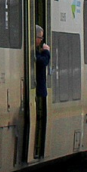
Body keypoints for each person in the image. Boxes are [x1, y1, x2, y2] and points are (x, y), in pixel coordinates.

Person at [34, 25, 50, 158]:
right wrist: (46, 52)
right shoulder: (35, 52)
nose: (41, 40)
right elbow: (42, 62)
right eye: (40, 37)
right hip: (37, 87)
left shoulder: (35, 50)